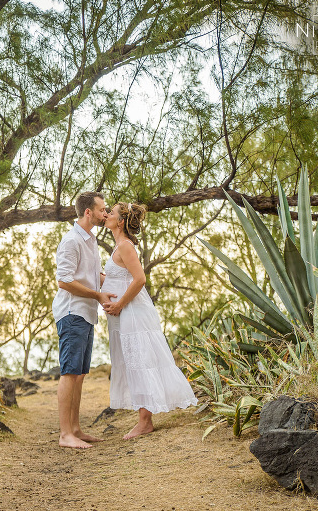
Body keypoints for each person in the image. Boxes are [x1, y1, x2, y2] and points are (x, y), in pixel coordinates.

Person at [101, 202, 198, 440]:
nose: (106, 215)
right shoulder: (118, 247)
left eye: (110, 213)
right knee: (134, 360)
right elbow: (115, 277)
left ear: (120, 221)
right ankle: (144, 418)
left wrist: (120, 304)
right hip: (126, 314)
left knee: (140, 360)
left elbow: (140, 279)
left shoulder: (125, 245)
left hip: (134, 312)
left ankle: (145, 422)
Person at [53, 191, 116, 449]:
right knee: (69, 373)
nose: (105, 214)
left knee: (79, 375)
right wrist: (97, 295)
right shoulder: (71, 241)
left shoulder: (90, 241)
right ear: (88, 212)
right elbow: (64, 281)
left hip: (87, 314)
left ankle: (76, 429)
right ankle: (65, 434)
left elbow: (94, 275)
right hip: (72, 313)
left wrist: (122, 285)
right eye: (102, 210)